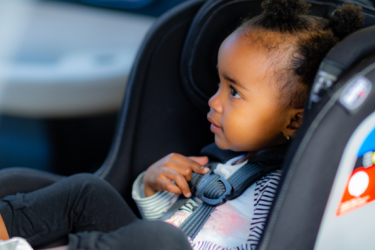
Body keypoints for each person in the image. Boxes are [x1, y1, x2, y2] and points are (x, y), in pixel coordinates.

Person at [0, 0, 365, 249]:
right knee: (85, 191)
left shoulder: (283, 189)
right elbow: (180, 222)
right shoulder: (222, 167)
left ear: (295, 120)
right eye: (219, 84)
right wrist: (152, 188)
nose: (213, 101)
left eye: (234, 92)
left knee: (161, 243)